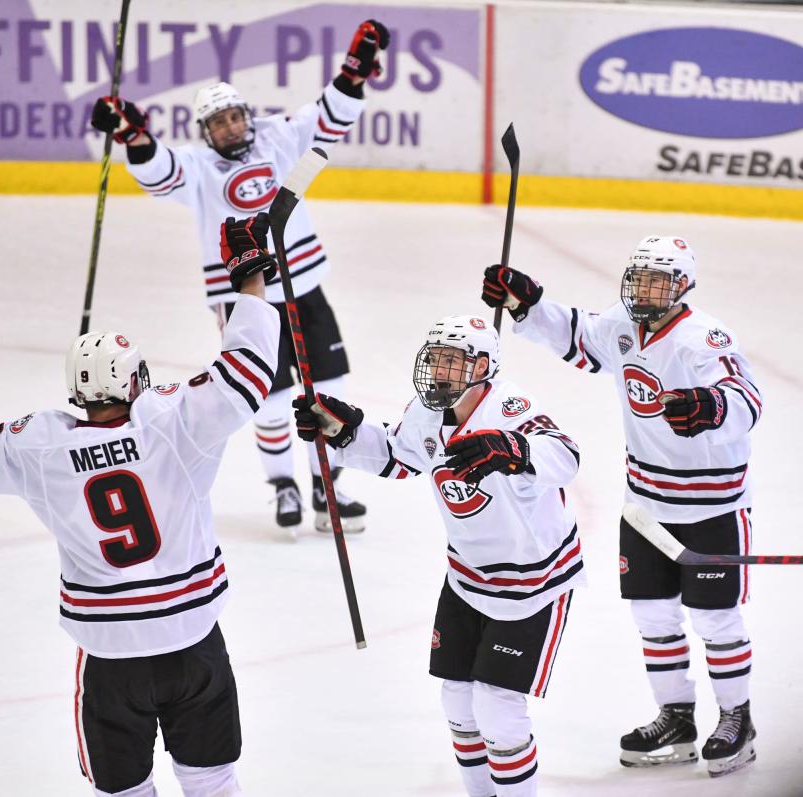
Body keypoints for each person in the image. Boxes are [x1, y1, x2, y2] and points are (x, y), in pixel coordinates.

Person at [0, 216, 282, 797]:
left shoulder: (40, 446)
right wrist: (251, 281)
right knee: (213, 782)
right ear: (135, 382)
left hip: (111, 659)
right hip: (193, 641)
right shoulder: (173, 421)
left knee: (125, 791)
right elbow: (248, 371)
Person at [89, 20, 391, 535]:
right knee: (269, 395)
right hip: (245, 299)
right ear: (205, 132)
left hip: (304, 285)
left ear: (246, 115)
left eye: (234, 116)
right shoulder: (199, 167)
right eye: (218, 122)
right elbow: (160, 172)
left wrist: (355, 71)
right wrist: (135, 137)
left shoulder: (278, 134)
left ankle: (328, 481)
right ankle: (284, 486)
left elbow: (330, 115)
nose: (229, 127)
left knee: (331, 383)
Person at [482, 236, 761, 777]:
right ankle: (677, 716)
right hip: (645, 505)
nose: (644, 290)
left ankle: (737, 719)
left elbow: (747, 396)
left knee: (713, 616)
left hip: (711, 503)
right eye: (639, 278)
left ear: (683, 286)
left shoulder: (702, 340)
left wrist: (711, 406)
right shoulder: (624, 324)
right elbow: (582, 337)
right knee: (652, 613)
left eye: (658, 280)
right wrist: (528, 303)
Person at [294, 315, 584, 797]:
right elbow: (398, 455)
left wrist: (512, 448)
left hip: (534, 582)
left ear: (484, 367)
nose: (440, 370)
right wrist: (342, 431)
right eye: (436, 359)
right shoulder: (428, 412)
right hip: (468, 577)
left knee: (498, 709)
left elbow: (565, 455)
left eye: (453, 360)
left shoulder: (509, 408)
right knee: (458, 701)